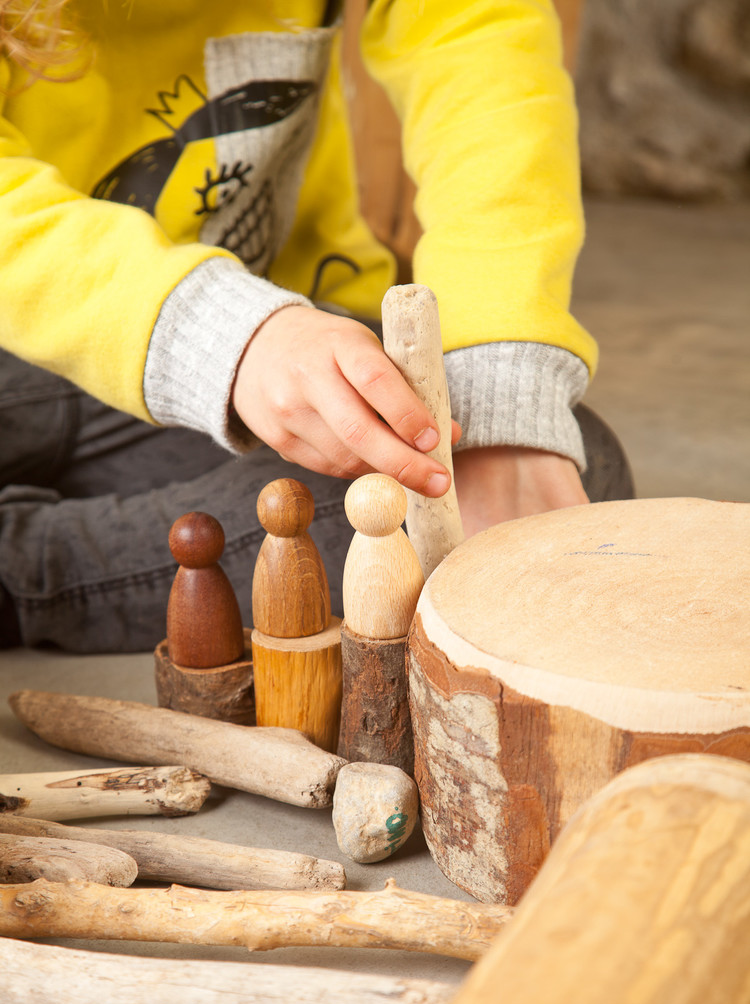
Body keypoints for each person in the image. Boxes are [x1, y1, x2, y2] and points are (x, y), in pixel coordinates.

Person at [0, 0, 632, 652]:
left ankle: (25, 569)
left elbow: (475, 36)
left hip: (273, 335)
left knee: (567, 477)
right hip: (32, 334)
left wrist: (499, 384)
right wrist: (219, 337)